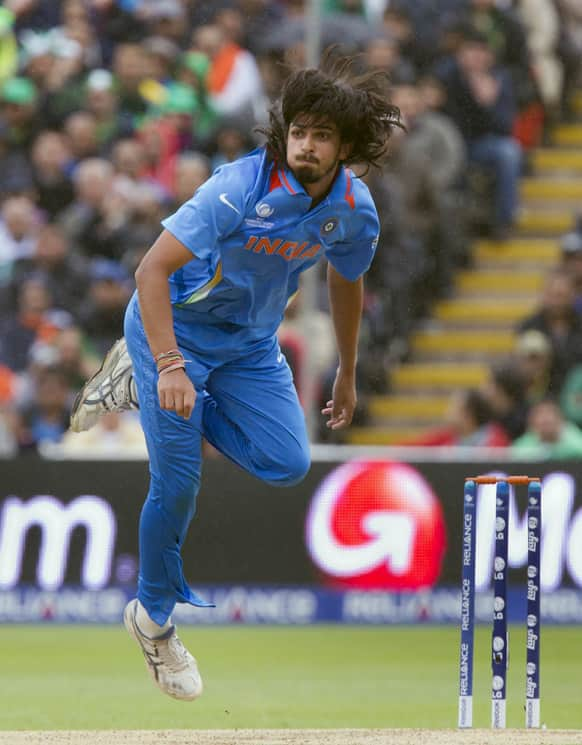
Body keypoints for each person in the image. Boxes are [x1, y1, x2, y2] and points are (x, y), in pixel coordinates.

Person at [69, 56, 398, 701]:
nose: (307, 145)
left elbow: (346, 280)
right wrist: (167, 366)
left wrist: (348, 373)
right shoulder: (238, 186)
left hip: (248, 346)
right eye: (300, 131)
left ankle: (150, 387)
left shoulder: (354, 210)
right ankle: (154, 621)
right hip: (173, 332)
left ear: (345, 147)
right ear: (286, 135)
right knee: (179, 479)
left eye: (323, 136)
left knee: (288, 461)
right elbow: (150, 272)